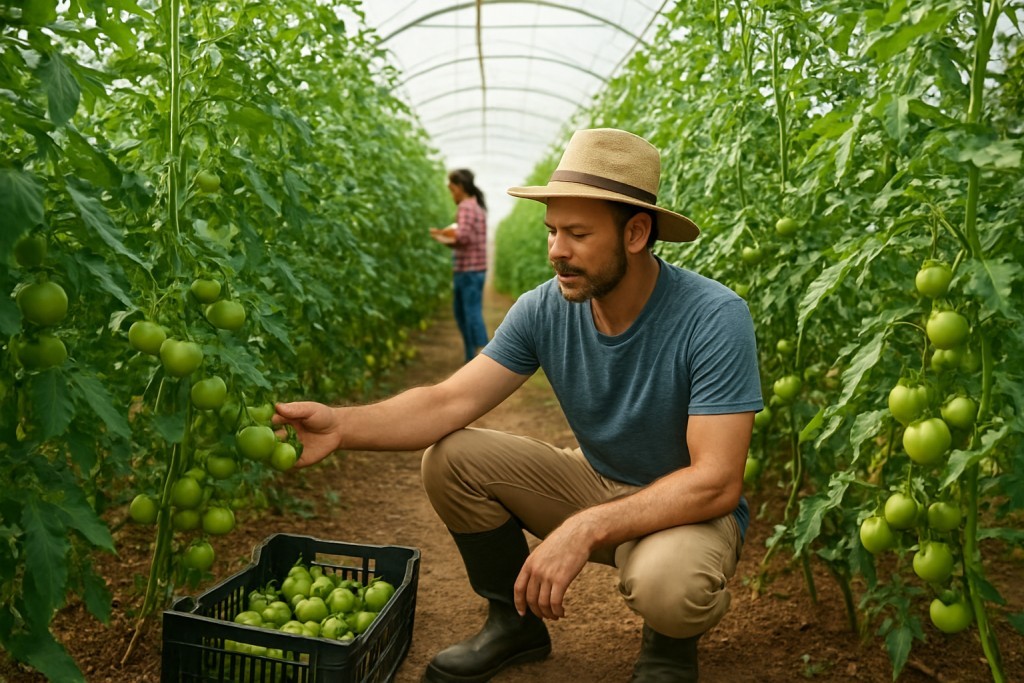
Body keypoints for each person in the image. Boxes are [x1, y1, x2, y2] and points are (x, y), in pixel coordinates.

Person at [275, 128, 763, 683]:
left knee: (668, 586)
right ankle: (514, 624)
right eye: (552, 230)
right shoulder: (544, 309)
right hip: (597, 479)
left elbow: (716, 481)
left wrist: (584, 528)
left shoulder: (713, 316)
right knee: (451, 459)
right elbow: (448, 400)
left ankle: (668, 651)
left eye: (578, 233)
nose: (556, 250)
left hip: (688, 509)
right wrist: (340, 425)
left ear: (635, 233)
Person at [429, 169, 489, 363]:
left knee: (469, 314)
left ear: (460, 187)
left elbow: (462, 237)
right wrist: (445, 234)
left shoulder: (466, 207)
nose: (451, 194)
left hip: (468, 271)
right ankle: (472, 357)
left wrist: (441, 237)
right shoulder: (475, 206)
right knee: (466, 313)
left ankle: (484, 356)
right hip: (473, 270)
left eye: (452, 189)